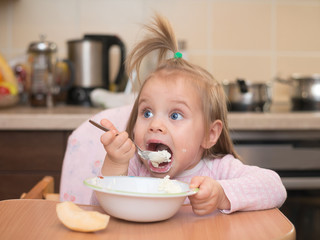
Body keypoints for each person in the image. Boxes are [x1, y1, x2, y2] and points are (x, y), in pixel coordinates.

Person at [60, 14, 286, 215]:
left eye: (175, 115)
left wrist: (221, 193)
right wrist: (114, 165)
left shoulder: (219, 169)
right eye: (147, 112)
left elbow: (274, 186)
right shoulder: (134, 169)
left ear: (210, 134)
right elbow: (100, 209)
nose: (155, 125)